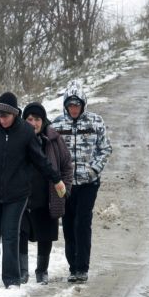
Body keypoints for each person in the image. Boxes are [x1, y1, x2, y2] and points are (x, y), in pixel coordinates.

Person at [0, 92, 66, 288]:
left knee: (10, 234)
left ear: (15, 114)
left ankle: (12, 280)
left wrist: (56, 180)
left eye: (6, 116)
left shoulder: (26, 132)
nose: (1, 119)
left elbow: (40, 160)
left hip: (17, 194)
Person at [51, 81, 112, 283]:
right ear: (66, 106)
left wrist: (93, 170)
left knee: (82, 223)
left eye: (77, 106)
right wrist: (57, 177)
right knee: (68, 224)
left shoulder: (95, 122)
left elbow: (105, 149)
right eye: (70, 106)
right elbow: (51, 153)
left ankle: (82, 267)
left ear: (83, 105)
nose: (74, 109)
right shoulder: (57, 125)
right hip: (66, 185)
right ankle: (73, 267)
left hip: (88, 183)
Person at [19, 102, 73, 284]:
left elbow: (66, 166)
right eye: (29, 119)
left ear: (44, 121)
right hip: (23, 197)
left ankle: (42, 270)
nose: (33, 123)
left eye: (37, 119)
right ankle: (22, 270)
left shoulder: (54, 139)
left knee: (46, 235)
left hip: (48, 196)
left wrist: (64, 190)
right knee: (21, 233)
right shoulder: (18, 138)